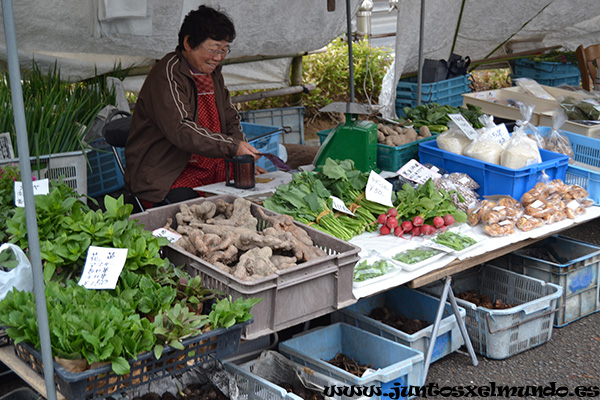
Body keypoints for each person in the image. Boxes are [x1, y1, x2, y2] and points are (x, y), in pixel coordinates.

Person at [123, 5, 264, 208]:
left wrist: (242, 158)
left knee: (254, 200)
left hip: (213, 164)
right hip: (168, 173)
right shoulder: (168, 74)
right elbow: (181, 129)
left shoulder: (213, 72)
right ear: (188, 43)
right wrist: (233, 147)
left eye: (224, 50)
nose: (219, 57)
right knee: (201, 213)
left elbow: (230, 117)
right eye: (214, 49)